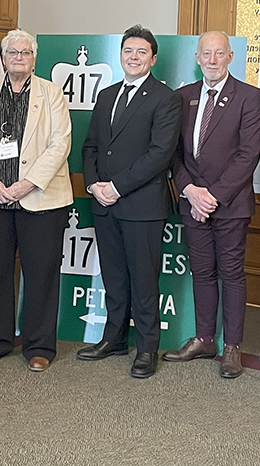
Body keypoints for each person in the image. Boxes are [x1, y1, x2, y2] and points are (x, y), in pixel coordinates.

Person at [0, 29, 72, 372]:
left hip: (40, 198)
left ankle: (39, 345)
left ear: (34, 58)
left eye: (25, 52)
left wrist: (26, 184)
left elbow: (60, 144)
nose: (19, 57)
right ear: (3, 57)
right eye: (12, 52)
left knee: (41, 273)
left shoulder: (52, 93)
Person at [78, 25, 181, 378]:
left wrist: (116, 187)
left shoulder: (165, 98)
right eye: (128, 51)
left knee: (144, 280)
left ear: (153, 59)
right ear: (120, 55)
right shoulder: (107, 95)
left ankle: (147, 348)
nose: (133, 57)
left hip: (142, 206)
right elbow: (91, 146)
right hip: (104, 204)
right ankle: (115, 339)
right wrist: (93, 185)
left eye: (141, 52)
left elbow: (159, 154)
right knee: (114, 277)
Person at [165, 31, 260, 378]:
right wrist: (190, 191)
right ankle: (204, 338)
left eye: (219, 53)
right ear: (197, 58)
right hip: (192, 202)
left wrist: (212, 197)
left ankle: (232, 346)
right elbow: (173, 153)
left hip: (230, 205)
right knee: (202, 272)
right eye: (206, 54)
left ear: (230, 57)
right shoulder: (182, 97)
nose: (212, 60)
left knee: (231, 274)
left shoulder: (249, 97)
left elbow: (248, 155)